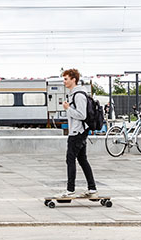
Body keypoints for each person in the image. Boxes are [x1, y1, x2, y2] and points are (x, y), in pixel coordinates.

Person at [60, 67, 97, 197]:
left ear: (73, 79)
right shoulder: (75, 94)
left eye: (66, 79)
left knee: (70, 159)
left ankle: (70, 190)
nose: (64, 81)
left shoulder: (79, 95)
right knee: (82, 160)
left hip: (77, 132)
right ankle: (92, 188)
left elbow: (82, 115)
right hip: (79, 131)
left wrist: (68, 108)